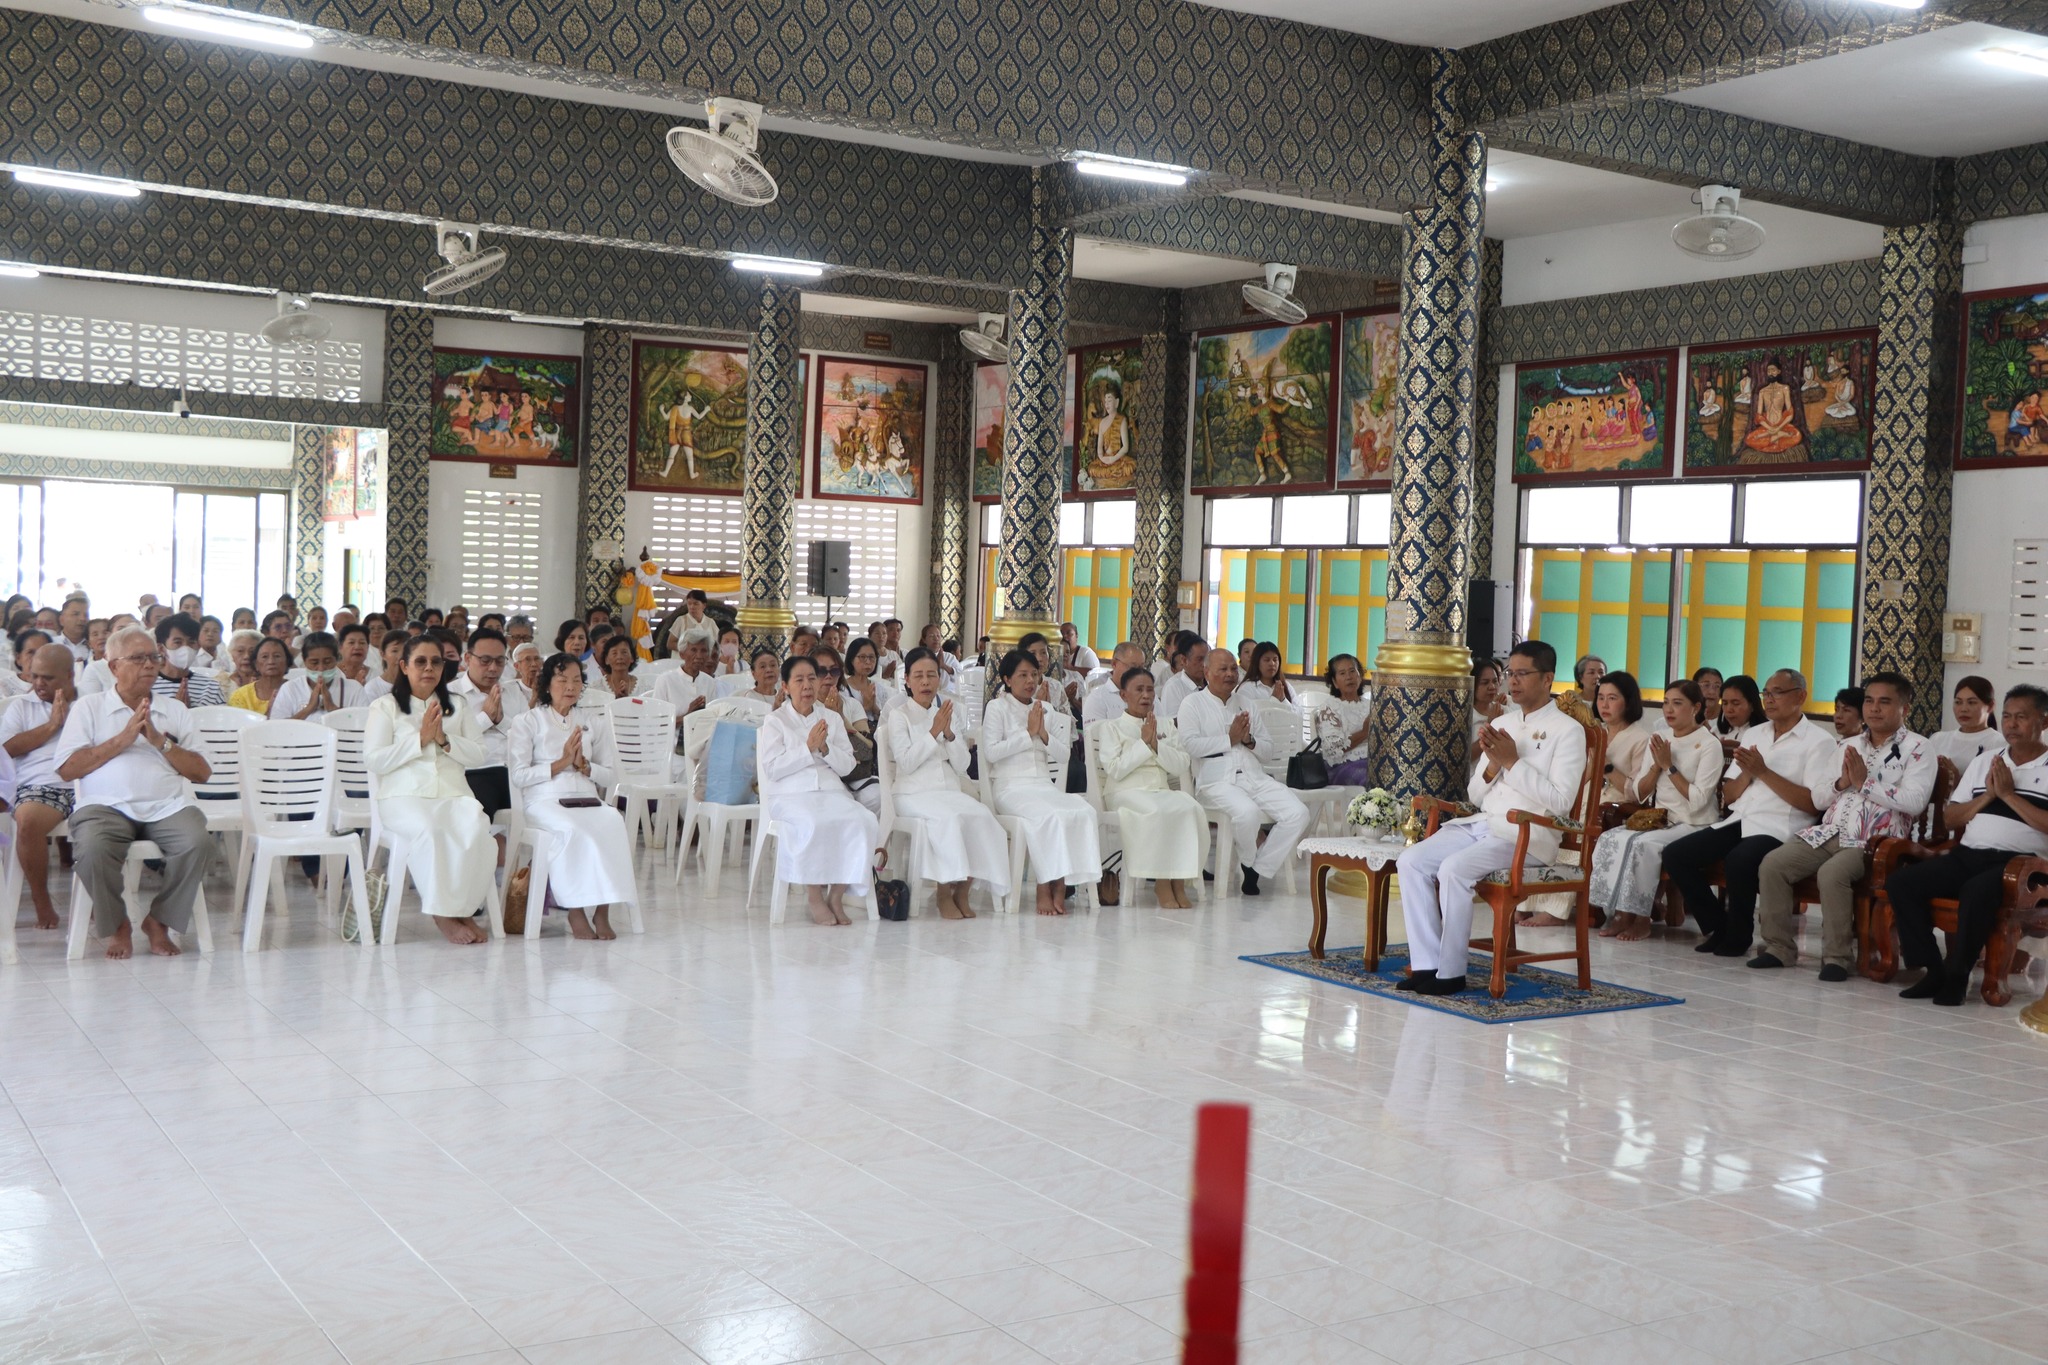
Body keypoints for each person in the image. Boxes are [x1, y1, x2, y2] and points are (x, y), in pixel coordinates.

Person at [1392, 641, 1587, 994]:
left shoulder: (1568, 730)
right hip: (1483, 824)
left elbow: (1561, 802)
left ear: (1547, 679)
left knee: (1454, 869)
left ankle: (1451, 973)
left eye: (1522, 674)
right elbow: (1475, 795)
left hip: (1526, 835)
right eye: (1510, 673)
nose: (1513, 681)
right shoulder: (1503, 722)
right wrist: (1494, 766)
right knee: (1411, 861)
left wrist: (1512, 762)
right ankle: (1426, 965)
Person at [1752, 672, 1933, 980]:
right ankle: (1778, 949)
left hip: (1877, 841)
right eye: (1869, 701)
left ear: (1904, 708)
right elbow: (1819, 797)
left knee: (1832, 873)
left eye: (1884, 702)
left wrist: (1865, 784)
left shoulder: (1918, 748)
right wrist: (1842, 782)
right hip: (1830, 831)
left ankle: (1837, 958)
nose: (1874, 708)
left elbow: (1914, 802)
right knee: (1773, 864)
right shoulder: (1849, 745)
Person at [52, 626, 216, 959]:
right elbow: (68, 769)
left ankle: (159, 921)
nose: (149, 665)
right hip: (104, 807)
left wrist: (160, 742)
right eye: (138, 658)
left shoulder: (175, 710)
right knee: (93, 848)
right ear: (114, 666)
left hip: (167, 806)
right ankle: (118, 924)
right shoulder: (89, 707)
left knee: (198, 843)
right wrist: (122, 740)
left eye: (154, 657)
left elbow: (202, 772)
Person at [1886, 685, 2048, 1006]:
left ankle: (1958, 976)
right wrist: (1988, 796)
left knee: (1977, 891)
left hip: (2024, 866)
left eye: (2021, 717)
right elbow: (1951, 818)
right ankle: (1933, 970)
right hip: (1970, 854)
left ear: (2044, 721)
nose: (2011, 724)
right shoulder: (1986, 761)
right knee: (1903, 882)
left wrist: (2008, 795)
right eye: (2007, 716)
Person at [1660, 668, 1837, 957]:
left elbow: (1812, 803)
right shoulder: (1756, 733)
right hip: (1741, 818)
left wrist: (1763, 772)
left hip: (1781, 826)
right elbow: (1729, 795)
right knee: (1676, 854)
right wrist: (1748, 774)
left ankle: (1738, 935)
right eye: (1766, 693)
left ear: (1800, 696)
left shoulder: (1819, 741)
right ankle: (1718, 925)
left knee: (1739, 860)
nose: (1769, 699)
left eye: (1777, 693)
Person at [365, 636, 498, 944]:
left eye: (436, 662)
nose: (429, 668)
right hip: (403, 796)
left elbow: (479, 754)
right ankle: (442, 913)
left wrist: (444, 740)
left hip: (453, 794)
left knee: (477, 829)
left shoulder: (458, 705)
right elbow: (374, 759)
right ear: (404, 666)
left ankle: (462, 909)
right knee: (430, 830)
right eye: (420, 662)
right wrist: (420, 739)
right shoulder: (385, 706)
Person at [508, 654, 636, 940]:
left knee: (613, 823)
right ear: (547, 684)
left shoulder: (592, 722)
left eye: (577, 680)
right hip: (545, 800)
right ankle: (575, 911)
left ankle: (602, 910)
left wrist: (584, 766)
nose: (570, 686)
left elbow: (611, 776)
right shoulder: (527, 721)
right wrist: (562, 763)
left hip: (587, 799)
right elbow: (519, 776)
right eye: (562, 679)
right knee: (573, 830)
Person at [1590, 680, 1724, 942]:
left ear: (1696, 707)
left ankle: (1642, 918)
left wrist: (1669, 766)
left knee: (1643, 845)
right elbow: (1639, 793)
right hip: (1661, 820)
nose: (1669, 710)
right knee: (1611, 838)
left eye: (1677, 703)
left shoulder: (1709, 744)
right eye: (1665, 703)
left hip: (1694, 823)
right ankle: (1619, 914)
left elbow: (1698, 800)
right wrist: (1656, 766)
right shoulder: (1660, 740)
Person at [882, 650, 1009, 919]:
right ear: (907, 680)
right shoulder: (899, 715)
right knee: (949, 821)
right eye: (918, 676)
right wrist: (933, 732)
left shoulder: (948, 713)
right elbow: (906, 763)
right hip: (912, 792)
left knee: (983, 817)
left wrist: (949, 733)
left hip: (948, 790)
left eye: (931, 675)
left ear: (939, 679)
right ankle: (942, 892)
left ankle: (962, 890)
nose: (925, 681)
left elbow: (963, 765)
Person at [757, 656, 879, 925]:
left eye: (812, 678)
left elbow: (848, 765)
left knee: (863, 820)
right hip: (790, 794)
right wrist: (807, 747)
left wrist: (825, 748)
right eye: (799, 680)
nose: (807, 686)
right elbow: (773, 768)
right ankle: (814, 897)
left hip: (831, 791)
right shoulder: (776, 721)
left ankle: (836, 895)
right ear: (786, 687)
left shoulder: (831, 718)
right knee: (814, 822)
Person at [1178, 649, 1309, 897]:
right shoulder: (1192, 704)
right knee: (1247, 813)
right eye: (1223, 669)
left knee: (1298, 813)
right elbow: (1190, 745)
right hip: (1216, 782)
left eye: (1233, 669)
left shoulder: (1246, 704)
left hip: (1254, 777)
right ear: (1207, 672)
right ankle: (1248, 862)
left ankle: (1258, 868)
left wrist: (1249, 740)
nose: (1230, 674)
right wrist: (1229, 739)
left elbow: (1268, 751)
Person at [981, 649, 1101, 914]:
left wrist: (1043, 734)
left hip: (1043, 785)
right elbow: (991, 752)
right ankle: (1045, 885)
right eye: (1022, 675)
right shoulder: (997, 707)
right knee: (1049, 815)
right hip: (1010, 787)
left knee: (1083, 811)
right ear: (1007, 679)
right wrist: (1028, 734)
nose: (1030, 681)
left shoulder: (1045, 709)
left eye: (1034, 674)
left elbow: (1064, 755)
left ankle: (1063, 879)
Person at [1096, 667, 1205, 909]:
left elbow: (1181, 764)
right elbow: (1115, 769)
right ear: (1124, 695)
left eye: (1150, 690)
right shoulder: (1111, 727)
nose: (1146, 695)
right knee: (1157, 811)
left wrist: (1156, 745)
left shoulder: (1165, 725)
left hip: (1160, 790)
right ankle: (1162, 882)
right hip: (1125, 791)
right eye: (1139, 690)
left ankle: (1179, 880)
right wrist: (1144, 744)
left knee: (1190, 808)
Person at [0, 644, 75, 929]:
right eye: (35, 676)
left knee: (113, 822)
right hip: (39, 786)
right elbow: (7, 748)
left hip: (86, 782)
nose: (39, 683)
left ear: (69, 676)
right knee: (28, 822)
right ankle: (41, 899)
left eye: (48, 677)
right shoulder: (21, 706)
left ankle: (97, 900)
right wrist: (52, 726)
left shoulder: (90, 704)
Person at [447, 627, 524, 821]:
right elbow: (448, 741)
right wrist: (485, 719)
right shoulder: (451, 694)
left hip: (516, 772)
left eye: (499, 661)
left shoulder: (514, 692)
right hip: (475, 772)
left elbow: (528, 735)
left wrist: (501, 721)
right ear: (467, 658)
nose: (493, 668)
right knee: (476, 813)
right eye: (485, 660)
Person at [269, 632, 366, 718]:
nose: (321, 668)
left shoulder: (354, 689)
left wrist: (332, 708)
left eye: (327, 662)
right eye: (314, 663)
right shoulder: (290, 689)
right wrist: (309, 708)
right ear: (304, 660)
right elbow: (277, 727)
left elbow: (364, 724)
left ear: (336, 659)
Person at [1594, 671, 1653, 805]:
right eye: (1600, 698)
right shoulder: (1595, 732)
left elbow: (1637, 794)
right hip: (1583, 804)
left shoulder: (1641, 739)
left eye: (1612, 698)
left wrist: (1606, 765)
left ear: (1628, 701)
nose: (1604, 705)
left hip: (1615, 810)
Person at [146, 613, 226, 708]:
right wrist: (177, 710)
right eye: (178, 642)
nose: (186, 648)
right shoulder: (147, 685)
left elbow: (221, 716)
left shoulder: (211, 688)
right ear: (161, 648)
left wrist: (190, 711)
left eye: (191, 642)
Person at [1316, 653, 1372, 786]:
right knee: (1371, 777)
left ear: (1360, 676)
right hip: (1342, 765)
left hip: (1372, 761)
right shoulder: (1329, 708)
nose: (1349, 677)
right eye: (1342, 673)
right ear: (1335, 682)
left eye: (1352, 671)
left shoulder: (1370, 705)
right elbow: (1332, 748)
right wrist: (1364, 733)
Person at [1928, 675, 2003, 774]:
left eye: (1971, 702)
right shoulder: (1937, 739)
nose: (1963, 709)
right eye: (1958, 702)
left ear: (1990, 706)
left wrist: (1957, 779)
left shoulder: (2000, 743)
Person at [649, 636, 717, 718]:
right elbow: (657, 719)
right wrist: (688, 715)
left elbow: (713, 716)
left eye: (703, 651)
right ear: (682, 654)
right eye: (694, 650)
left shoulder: (710, 682)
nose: (699, 656)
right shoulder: (665, 680)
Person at [1083, 642, 1148, 726]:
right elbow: (1095, 733)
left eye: (1141, 668)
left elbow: (1163, 728)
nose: (1138, 673)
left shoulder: (1149, 697)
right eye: (1133, 667)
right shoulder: (1097, 698)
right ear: (1114, 663)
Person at [842, 636, 900, 721]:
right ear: (851, 659)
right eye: (862, 657)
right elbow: (842, 722)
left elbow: (888, 722)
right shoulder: (842, 690)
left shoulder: (880, 689)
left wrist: (875, 708)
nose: (868, 662)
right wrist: (865, 708)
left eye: (871, 657)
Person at [228, 638, 293, 714]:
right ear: (256, 664)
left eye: (277, 656)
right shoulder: (241, 696)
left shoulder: (297, 691)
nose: (271, 661)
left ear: (287, 662)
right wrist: (270, 711)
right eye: (264, 657)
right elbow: (238, 721)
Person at [1711, 673, 1761, 756]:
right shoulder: (1716, 730)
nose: (1729, 709)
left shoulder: (1765, 733)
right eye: (1725, 703)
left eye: (1735, 703)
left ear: (1752, 705)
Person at [720, 649, 783, 715]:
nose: (769, 670)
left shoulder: (785, 698)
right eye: (762, 666)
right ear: (753, 674)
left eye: (773, 665)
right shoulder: (742, 697)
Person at [1158, 638, 1207, 721]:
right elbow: (1171, 723)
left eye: (1207, 659)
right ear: (1184, 660)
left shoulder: (1213, 683)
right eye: (1199, 659)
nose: (1204, 664)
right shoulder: (1173, 687)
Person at [1469, 657, 1504, 765]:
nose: (1492, 687)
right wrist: (1490, 727)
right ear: (1472, 684)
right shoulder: (1465, 715)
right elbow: (1465, 757)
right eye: (1485, 683)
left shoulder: (1504, 710)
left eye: (1495, 681)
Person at [1238, 642, 1295, 706]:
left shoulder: (1285, 686)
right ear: (1257, 662)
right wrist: (1274, 700)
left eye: (1275, 660)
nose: (1272, 663)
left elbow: (1299, 711)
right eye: (1266, 660)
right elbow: (1249, 711)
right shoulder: (1247, 688)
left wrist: (1284, 700)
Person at [592, 634, 638, 703]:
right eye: (614, 653)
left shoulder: (644, 687)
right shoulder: (596, 688)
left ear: (632, 658)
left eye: (624, 652)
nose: (619, 657)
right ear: (606, 659)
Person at [364, 631, 408, 703]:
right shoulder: (372, 688)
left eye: (406, 651)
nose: (401, 656)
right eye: (394, 651)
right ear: (383, 654)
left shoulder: (417, 684)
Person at [55, 594, 90, 665]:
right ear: (62, 619)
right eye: (76, 614)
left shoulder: (94, 646)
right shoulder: (52, 643)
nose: (82, 619)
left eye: (86, 615)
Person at [336, 623, 373, 687]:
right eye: (351, 642)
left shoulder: (375, 675)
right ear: (340, 647)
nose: (357, 647)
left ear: (367, 647)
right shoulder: (331, 674)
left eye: (362, 643)